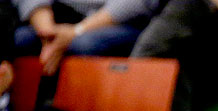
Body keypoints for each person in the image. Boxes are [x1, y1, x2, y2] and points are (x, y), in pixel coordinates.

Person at [13, 0, 156, 75]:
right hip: (59, 16)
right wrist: (48, 34)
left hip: (119, 20)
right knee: (22, 39)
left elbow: (137, 3)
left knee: (84, 44)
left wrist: (75, 32)